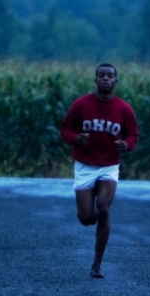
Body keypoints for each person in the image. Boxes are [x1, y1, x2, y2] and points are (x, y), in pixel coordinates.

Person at [59, 63, 139, 279]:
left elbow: (133, 135)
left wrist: (127, 144)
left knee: (104, 210)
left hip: (109, 166)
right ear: (95, 80)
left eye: (110, 75)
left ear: (115, 81)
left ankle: (97, 265)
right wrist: (76, 138)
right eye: (101, 75)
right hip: (85, 165)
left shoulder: (124, 109)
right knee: (86, 218)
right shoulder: (81, 105)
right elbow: (64, 129)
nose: (106, 78)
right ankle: (89, 214)